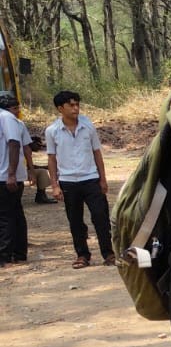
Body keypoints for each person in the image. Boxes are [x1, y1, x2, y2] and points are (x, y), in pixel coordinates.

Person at [45, 90, 114, 268]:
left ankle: (109, 253)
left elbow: (96, 152)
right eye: (71, 105)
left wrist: (103, 179)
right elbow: (51, 159)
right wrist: (54, 185)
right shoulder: (52, 131)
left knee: (100, 217)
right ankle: (82, 255)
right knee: (75, 220)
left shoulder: (87, 126)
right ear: (60, 108)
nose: (76, 108)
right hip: (68, 181)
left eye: (77, 104)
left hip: (91, 178)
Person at [0, 92, 31, 264]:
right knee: (14, 213)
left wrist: (11, 174)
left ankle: (5, 254)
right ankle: (18, 253)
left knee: (5, 216)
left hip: (6, 176)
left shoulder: (7, 118)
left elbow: (14, 143)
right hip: (6, 175)